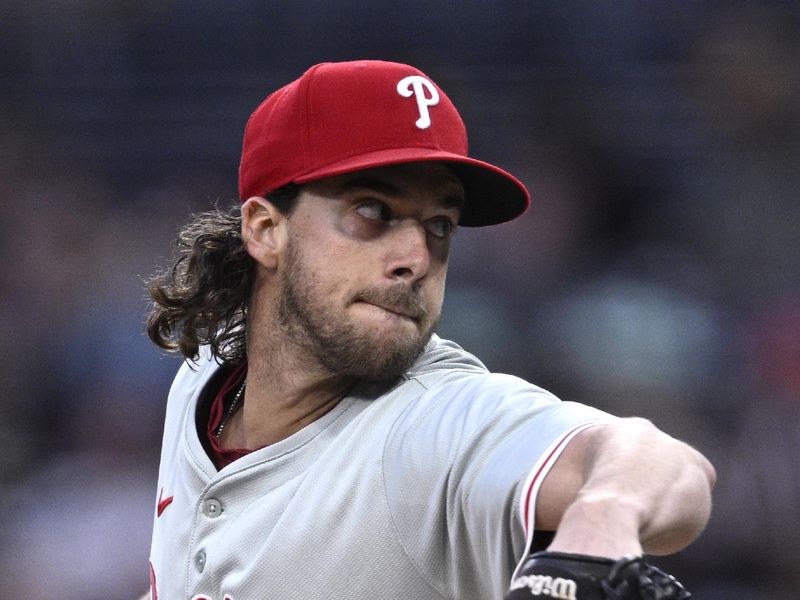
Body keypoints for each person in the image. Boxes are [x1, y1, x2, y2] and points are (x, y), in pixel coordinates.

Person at [141, 60, 715, 600]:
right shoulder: (207, 370)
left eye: (440, 224)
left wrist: (599, 519)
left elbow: (665, 466)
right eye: (374, 211)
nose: (417, 256)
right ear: (266, 229)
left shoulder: (433, 427)